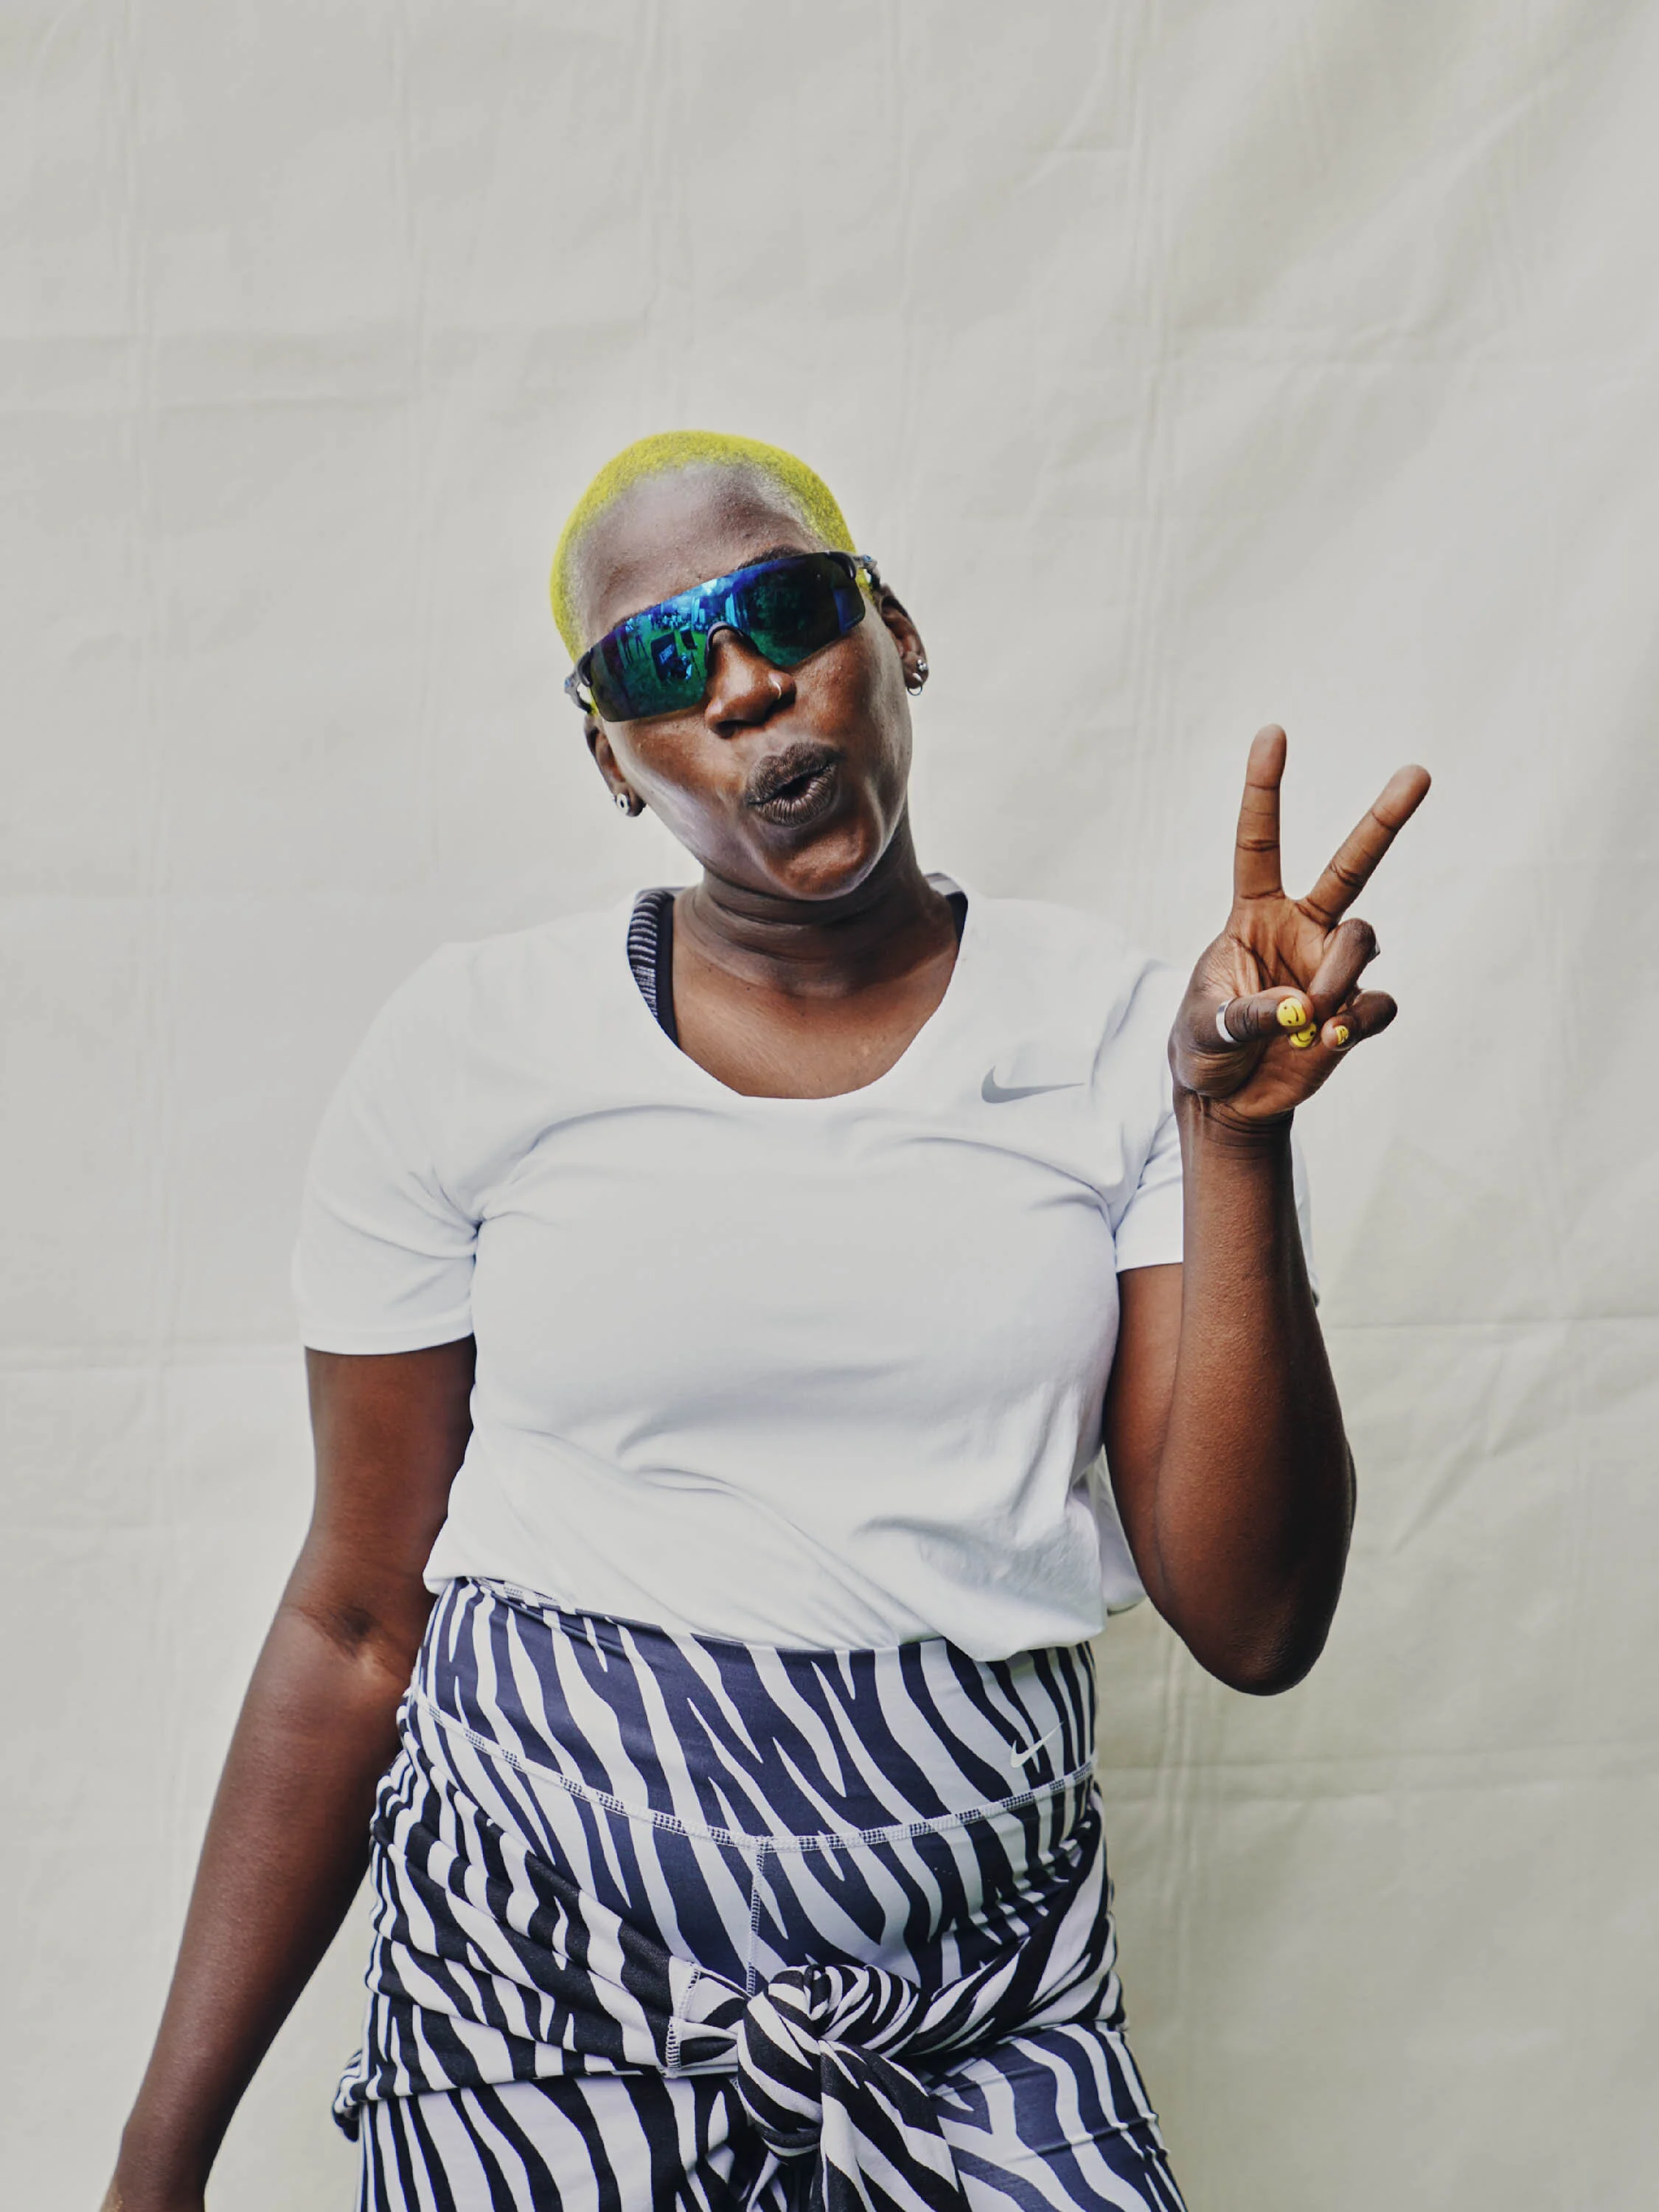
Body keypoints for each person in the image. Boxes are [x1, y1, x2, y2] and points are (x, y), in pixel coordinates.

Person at [104, 430, 1429, 2212]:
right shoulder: (475, 1047)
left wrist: (1230, 1140)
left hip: (976, 2018)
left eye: (788, 610)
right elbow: (356, 1624)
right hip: (532, 2013)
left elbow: (1256, 1623)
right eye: (659, 663)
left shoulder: (1128, 1038)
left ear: (897, 635)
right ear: (612, 759)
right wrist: (156, 2165)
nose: (740, 685)